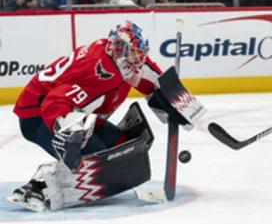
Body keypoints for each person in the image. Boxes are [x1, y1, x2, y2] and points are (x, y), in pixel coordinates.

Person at [8, 23, 163, 211]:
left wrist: (174, 99)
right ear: (120, 50)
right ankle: (36, 187)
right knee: (96, 164)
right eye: (134, 53)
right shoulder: (99, 71)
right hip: (38, 115)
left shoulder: (118, 59)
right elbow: (54, 101)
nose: (139, 58)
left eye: (139, 52)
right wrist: (68, 131)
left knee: (122, 150)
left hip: (73, 110)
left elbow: (150, 76)